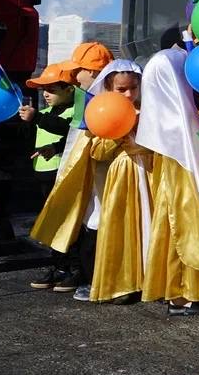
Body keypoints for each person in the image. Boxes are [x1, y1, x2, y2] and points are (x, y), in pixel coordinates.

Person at [136, 48, 199, 314]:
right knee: (182, 226)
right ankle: (184, 288)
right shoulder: (189, 112)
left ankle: (192, 289)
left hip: (179, 178)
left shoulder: (187, 112)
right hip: (177, 177)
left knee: (184, 226)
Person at [29, 42, 115, 294]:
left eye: (78, 70)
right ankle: (71, 269)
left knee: (90, 221)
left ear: (93, 71)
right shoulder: (86, 96)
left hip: (97, 173)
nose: (75, 77)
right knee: (78, 219)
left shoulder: (98, 99)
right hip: (77, 172)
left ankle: (85, 274)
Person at [87, 62, 152, 304]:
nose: (128, 94)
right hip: (124, 173)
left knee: (150, 222)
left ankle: (150, 279)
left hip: (151, 172)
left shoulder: (148, 109)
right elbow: (97, 151)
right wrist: (118, 132)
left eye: (133, 88)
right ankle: (122, 283)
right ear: (108, 87)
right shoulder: (103, 111)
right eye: (121, 89)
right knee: (123, 225)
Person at [20, 62, 75, 289]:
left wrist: (56, 145)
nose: (46, 94)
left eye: (53, 89)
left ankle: (72, 268)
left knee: (68, 223)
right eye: (44, 89)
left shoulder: (74, 113)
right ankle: (58, 265)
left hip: (62, 175)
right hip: (43, 175)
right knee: (51, 224)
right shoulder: (42, 114)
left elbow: (67, 130)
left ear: (69, 89)